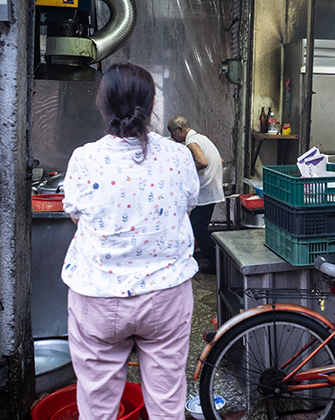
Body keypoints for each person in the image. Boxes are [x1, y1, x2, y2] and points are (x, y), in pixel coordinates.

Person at [62, 63, 200, 420]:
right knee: (167, 403)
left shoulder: (85, 159)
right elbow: (185, 205)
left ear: (102, 104)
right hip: (166, 295)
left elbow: (76, 215)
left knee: (96, 405)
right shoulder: (179, 156)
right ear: (152, 104)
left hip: (98, 295)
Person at [168, 115, 225, 274]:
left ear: (180, 130)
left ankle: (215, 263)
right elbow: (221, 161)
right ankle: (215, 262)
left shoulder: (191, 142)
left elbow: (203, 162)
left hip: (206, 192)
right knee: (199, 227)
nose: (174, 138)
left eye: (173, 134)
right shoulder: (202, 138)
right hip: (212, 189)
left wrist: (184, 169)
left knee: (197, 228)